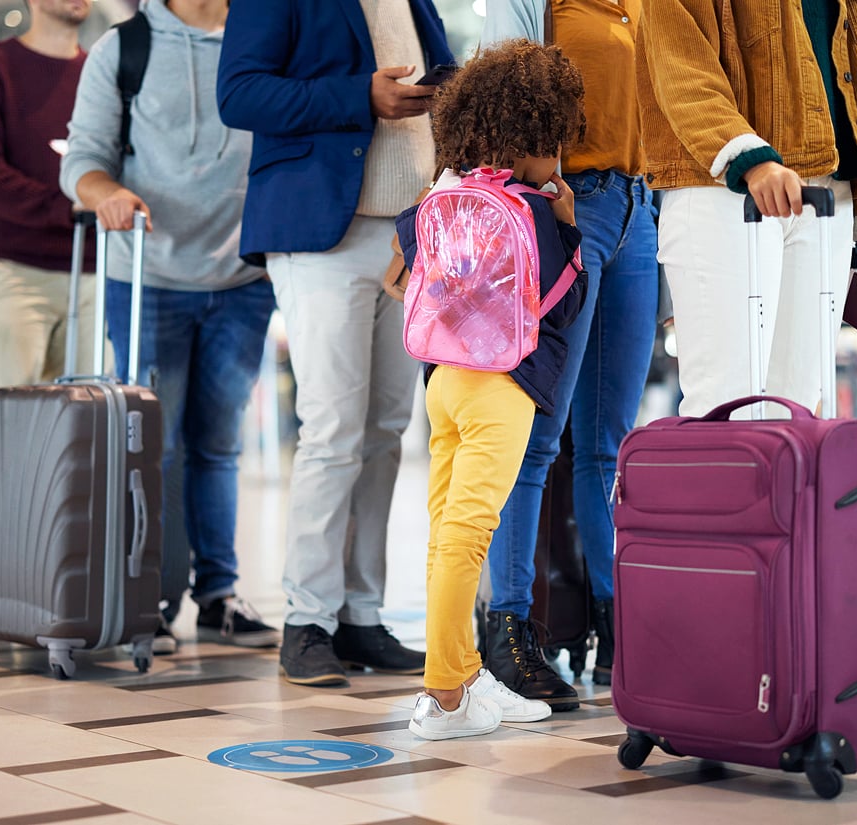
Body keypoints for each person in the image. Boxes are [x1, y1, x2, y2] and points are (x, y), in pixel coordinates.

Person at [218, 0, 453, 687]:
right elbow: (240, 92)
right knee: (332, 427)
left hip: (410, 239)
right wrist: (361, 95)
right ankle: (307, 621)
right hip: (320, 232)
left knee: (386, 429)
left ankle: (360, 614)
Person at [61, 0, 280, 652]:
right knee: (148, 446)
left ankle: (219, 594)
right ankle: (144, 593)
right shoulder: (122, 49)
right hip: (147, 279)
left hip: (243, 282)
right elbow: (83, 160)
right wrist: (106, 193)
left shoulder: (264, 37)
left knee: (218, 443)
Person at [395, 38, 588, 739]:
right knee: (470, 535)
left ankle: (464, 676)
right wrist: (568, 227)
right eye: (555, 144)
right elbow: (563, 305)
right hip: (502, 390)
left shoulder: (446, 193)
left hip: (444, 381)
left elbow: (412, 262)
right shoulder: (534, 209)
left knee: (446, 531)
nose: (559, 161)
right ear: (531, 135)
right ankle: (445, 695)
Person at [480, 0, 659, 701]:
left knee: (610, 446)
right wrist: (547, 187)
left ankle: (619, 628)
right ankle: (510, 628)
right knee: (535, 435)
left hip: (639, 210)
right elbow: (504, 95)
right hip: (566, 203)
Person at [637, 1, 857, 417]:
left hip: (826, 197)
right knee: (726, 406)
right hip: (725, 187)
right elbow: (680, 58)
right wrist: (750, 157)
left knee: (798, 406)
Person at [0, 0, 98, 463]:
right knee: (7, 424)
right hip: (15, 271)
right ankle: (0, 538)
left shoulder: (102, 73)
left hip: (94, 272)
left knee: (88, 430)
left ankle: (69, 539)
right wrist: (68, 208)